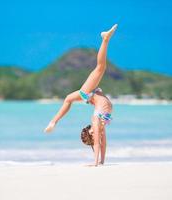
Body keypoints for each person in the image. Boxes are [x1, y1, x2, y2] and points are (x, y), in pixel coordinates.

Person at [44, 24, 118, 167]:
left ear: (91, 131)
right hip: (92, 95)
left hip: (88, 93)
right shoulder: (104, 124)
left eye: (94, 134)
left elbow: (97, 143)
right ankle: (53, 121)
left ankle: (105, 39)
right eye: (97, 135)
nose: (98, 135)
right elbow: (103, 145)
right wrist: (102, 162)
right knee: (68, 99)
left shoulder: (96, 121)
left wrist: (95, 163)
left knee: (100, 67)